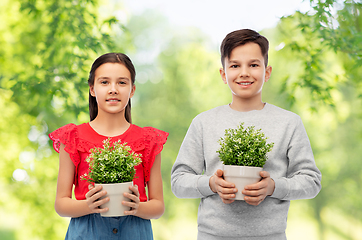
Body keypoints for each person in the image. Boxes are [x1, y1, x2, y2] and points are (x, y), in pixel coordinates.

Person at [171, 29, 322, 240]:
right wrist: (211, 184)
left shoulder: (289, 122)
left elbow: (311, 181)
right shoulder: (203, 123)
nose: (244, 72)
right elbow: (178, 181)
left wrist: (273, 186)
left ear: (267, 72)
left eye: (253, 65)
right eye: (235, 65)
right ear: (223, 74)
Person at [49, 53, 168, 240]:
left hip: (135, 231)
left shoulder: (149, 140)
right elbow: (61, 204)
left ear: (132, 90)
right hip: (86, 231)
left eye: (122, 82)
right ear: (92, 89)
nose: (113, 89)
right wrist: (88, 205)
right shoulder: (72, 138)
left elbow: (158, 206)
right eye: (104, 82)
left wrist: (137, 207)